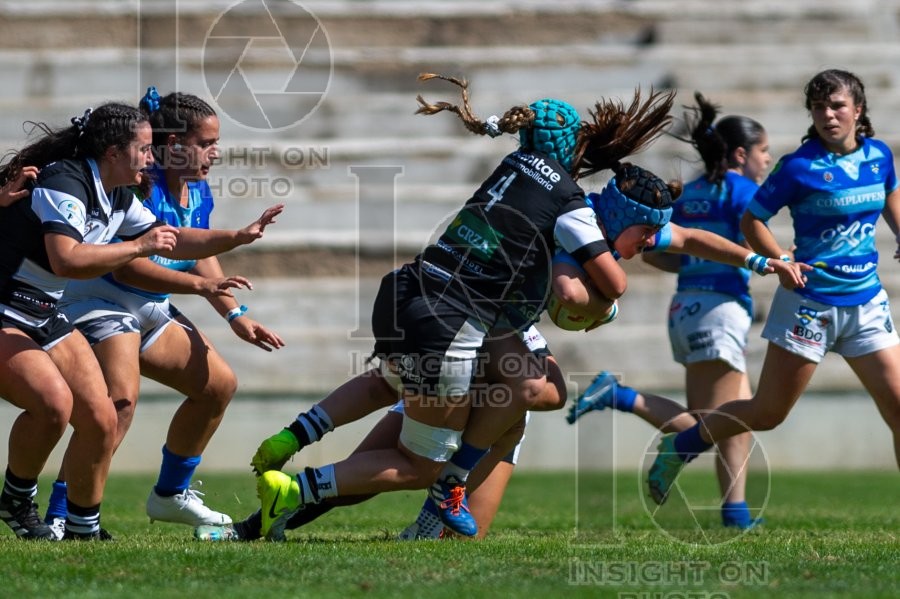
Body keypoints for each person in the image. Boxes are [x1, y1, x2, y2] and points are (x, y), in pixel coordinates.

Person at [249, 73, 680, 540]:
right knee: (420, 465)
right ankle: (305, 491)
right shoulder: (569, 205)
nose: (653, 244)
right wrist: (607, 308)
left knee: (399, 385)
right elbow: (585, 291)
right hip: (460, 318)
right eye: (648, 235)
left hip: (413, 289)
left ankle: (297, 441)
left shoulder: (514, 166)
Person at [36, 89, 285, 536]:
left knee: (217, 387)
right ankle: (61, 514)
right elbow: (132, 270)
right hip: (100, 300)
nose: (215, 152)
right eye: (206, 143)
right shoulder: (138, 184)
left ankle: (169, 495)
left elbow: (196, 250)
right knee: (118, 406)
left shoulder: (197, 189)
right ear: (173, 146)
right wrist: (200, 287)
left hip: (149, 306)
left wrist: (234, 314)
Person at [646, 68, 900, 506]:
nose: (828, 115)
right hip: (809, 304)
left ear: (858, 110)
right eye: (819, 107)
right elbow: (752, 220)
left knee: (898, 410)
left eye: (837, 105)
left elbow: (890, 190)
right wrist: (780, 262)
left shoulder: (879, 155)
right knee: (767, 414)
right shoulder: (798, 167)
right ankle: (682, 445)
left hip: (866, 303)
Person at [567, 92, 773, 529]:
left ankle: (735, 511)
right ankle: (620, 396)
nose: (768, 160)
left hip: (686, 306)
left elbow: (659, 253)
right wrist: (775, 258)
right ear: (742, 154)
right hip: (720, 309)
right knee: (707, 425)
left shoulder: (692, 193)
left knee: (737, 418)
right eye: (764, 151)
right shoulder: (743, 192)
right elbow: (753, 240)